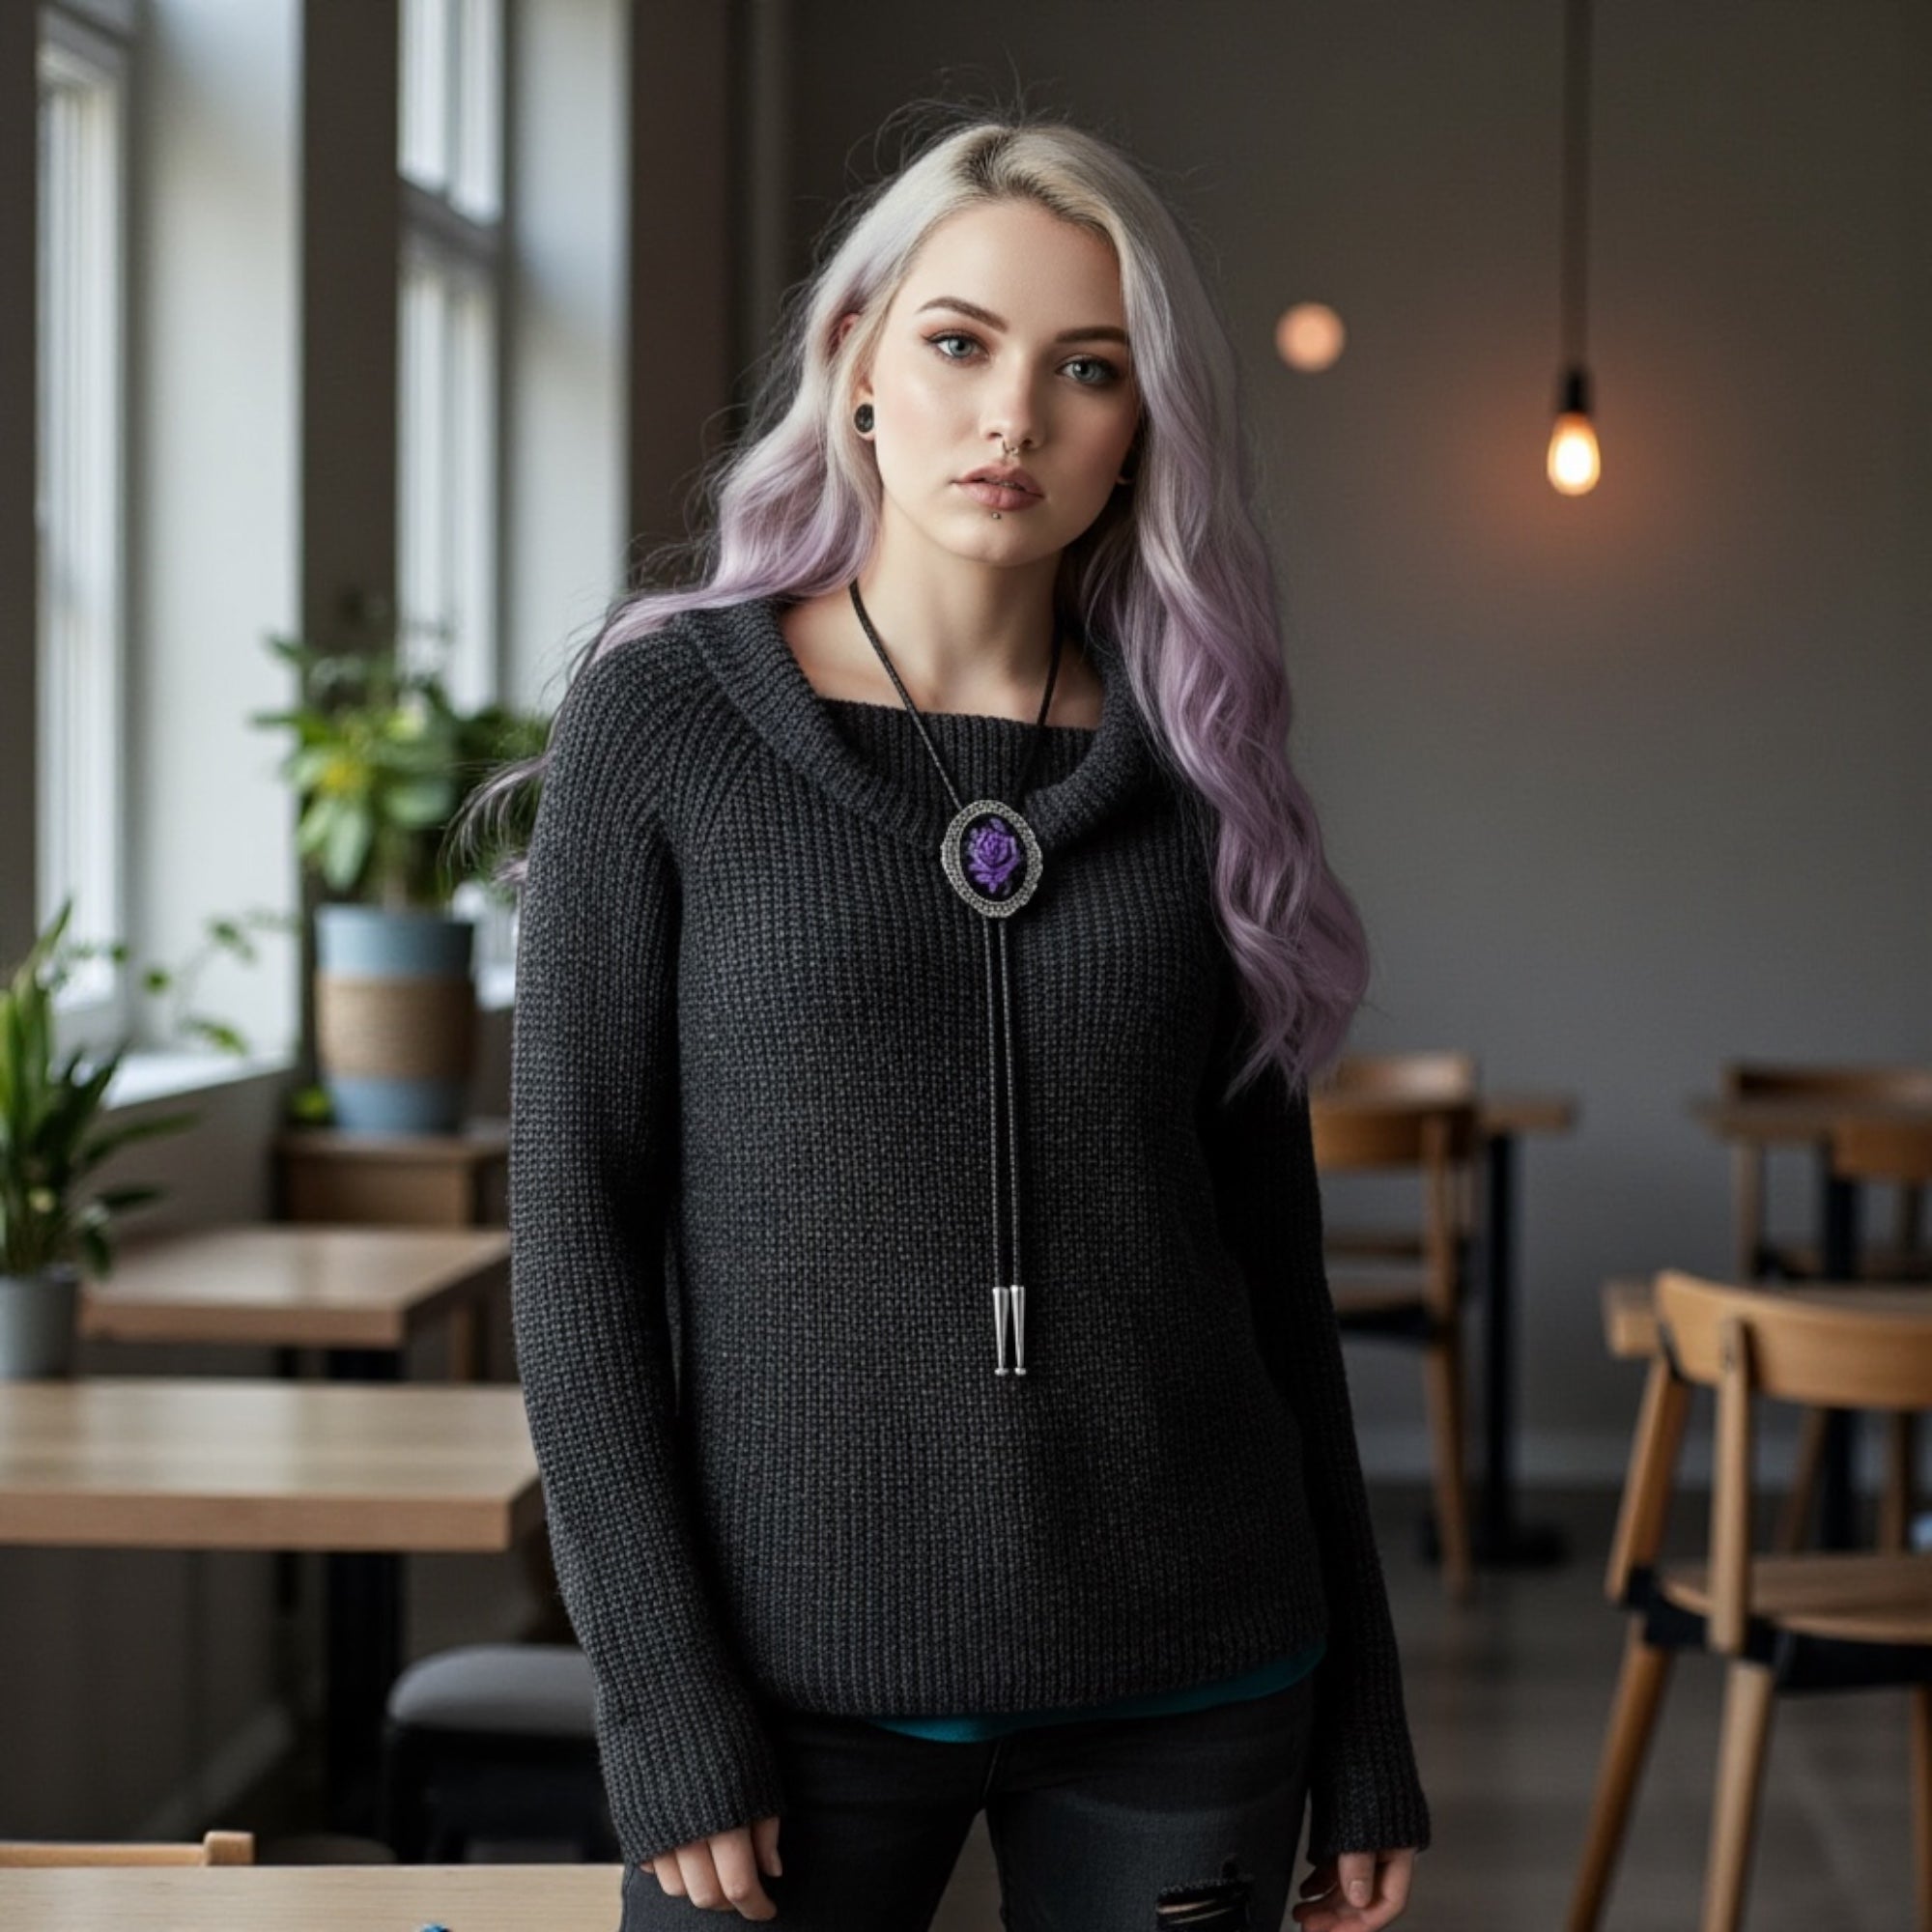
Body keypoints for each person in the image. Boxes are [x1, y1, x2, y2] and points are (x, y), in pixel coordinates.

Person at [470, 105, 1430, 1932]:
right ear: (853, 363)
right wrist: (663, 1702)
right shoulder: (664, 720)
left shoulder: (1201, 763)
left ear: (1144, 424)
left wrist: (1366, 1720)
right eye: (960, 343)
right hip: (787, 1693)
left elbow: (1271, 1275)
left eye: (1090, 369)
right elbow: (575, 1245)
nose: (1016, 420)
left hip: (1195, 1673)